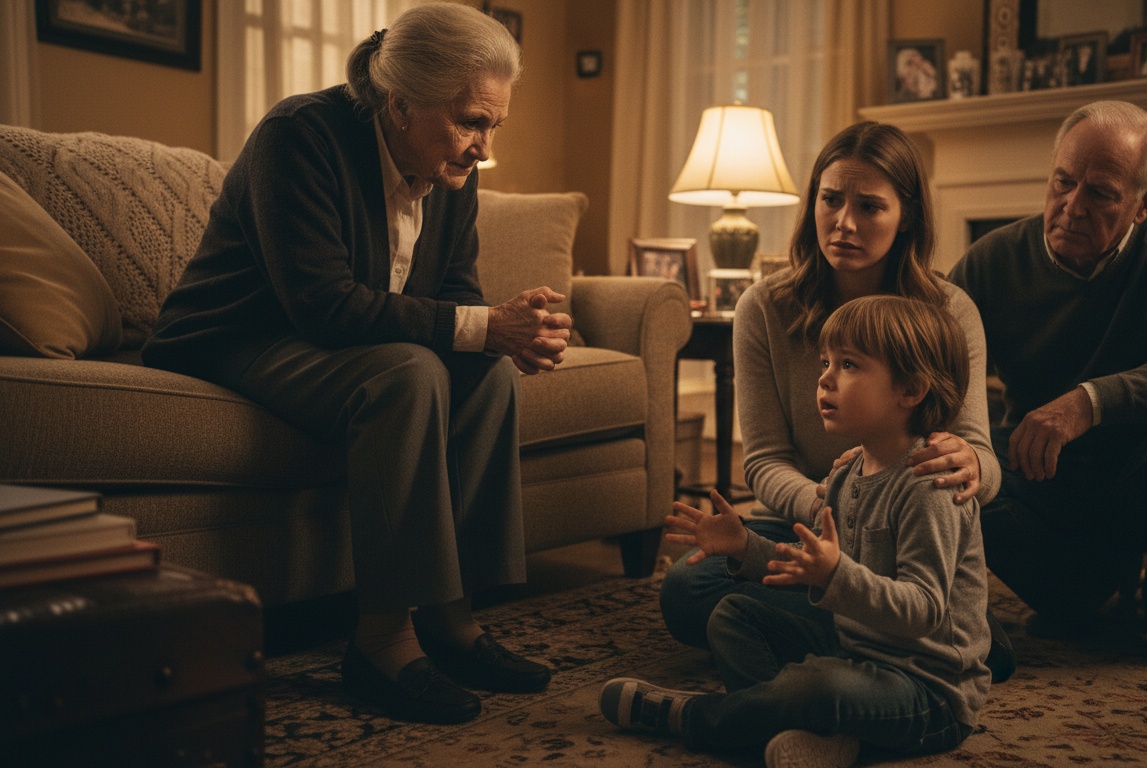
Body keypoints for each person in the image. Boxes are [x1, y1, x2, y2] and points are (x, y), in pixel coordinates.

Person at [142, 4, 564, 723]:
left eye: (492, 125)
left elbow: (455, 294)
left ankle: (452, 622)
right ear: (400, 103)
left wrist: (504, 333)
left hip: (332, 342)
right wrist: (483, 324)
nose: (482, 147)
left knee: (487, 372)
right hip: (236, 337)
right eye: (470, 121)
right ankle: (381, 644)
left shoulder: (451, 168)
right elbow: (322, 304)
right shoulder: (298, 136)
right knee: (409, 373)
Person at [658, 120, 1015, 682]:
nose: (844, 223)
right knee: (685, 589)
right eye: (830, 200)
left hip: (903, 534)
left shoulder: (950, 310)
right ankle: (898, 633)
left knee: (748, 606)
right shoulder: (764, 307)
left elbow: (981, 461)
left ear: (907, 219)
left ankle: (896, 625)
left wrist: (972, 465)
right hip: (810, 520)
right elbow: (765, 460)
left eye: (870, 206)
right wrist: (835, 514)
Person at [601, 295, 990, 767]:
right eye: (826, 362)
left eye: (848, 365)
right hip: (855, 651)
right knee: (732, 615)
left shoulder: (930, 484)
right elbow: (812, 566)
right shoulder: (847, 474)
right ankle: (807, 736)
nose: (824, 378)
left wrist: (834, 575)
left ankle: (697, 717)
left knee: (818, 684)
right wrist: (747, 547)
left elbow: (924, 610)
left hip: (927, 691)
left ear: (910, 390)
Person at [948, 100, 1147, 680]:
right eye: (1062, 183)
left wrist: (1090, 402)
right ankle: (1076, 596)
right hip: (1044, 485)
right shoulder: (994, 260)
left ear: (1146, 203)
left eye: (1100, 193)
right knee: (945, 468)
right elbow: (923, 350)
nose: (1071, 207)